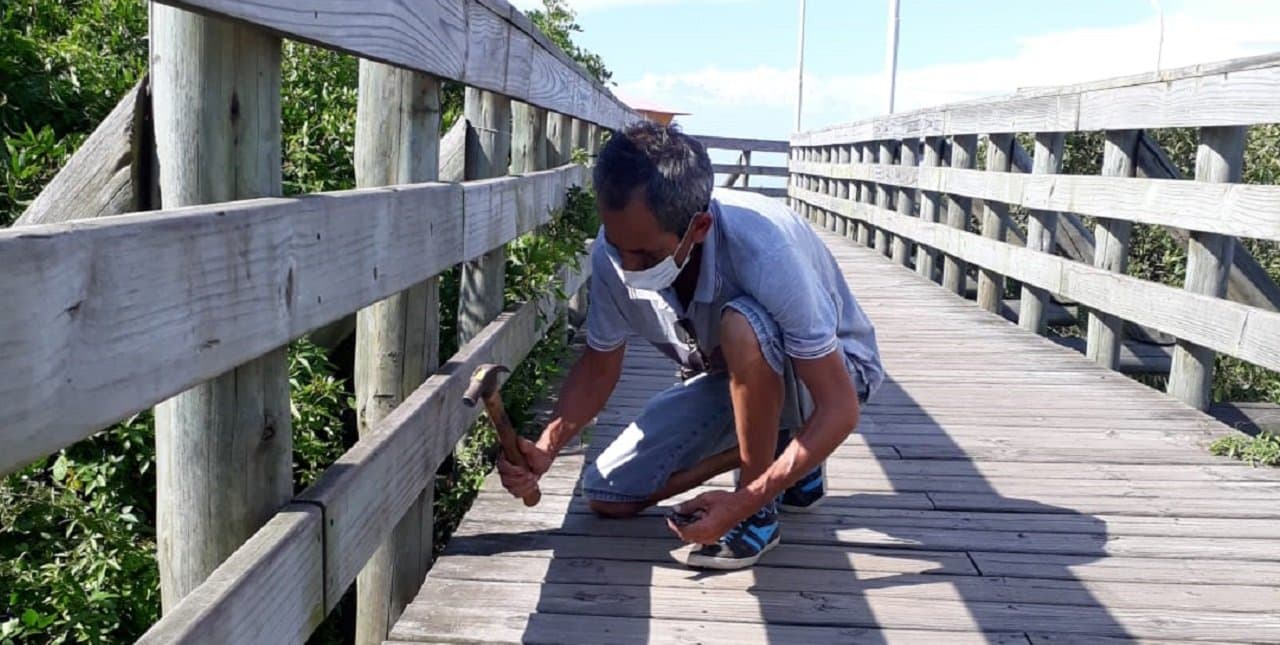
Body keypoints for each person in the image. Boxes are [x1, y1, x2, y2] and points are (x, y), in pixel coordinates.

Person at [497, 120, 884, 570]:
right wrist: (547, 446)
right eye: (617, 246)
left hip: (831, 371)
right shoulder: (614, 250)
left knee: (742, 325)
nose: (626, 267)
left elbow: (839, 407)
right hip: (729, 374)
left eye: (645, 255)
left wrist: (745, 499)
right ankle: (788, 451)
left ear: (698, 227)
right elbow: (600, 364)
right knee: (609, 495)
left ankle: (759, 512)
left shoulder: (765, 251)